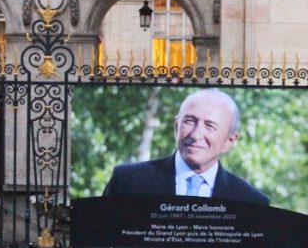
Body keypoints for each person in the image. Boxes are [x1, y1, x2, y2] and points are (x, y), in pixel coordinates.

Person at [103, 88, 269, 205]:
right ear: (176, 127)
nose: (196, 135)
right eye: (190, 121)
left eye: (210, 126)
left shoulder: (250, 202)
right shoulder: (128, 182)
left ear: (229, 141)